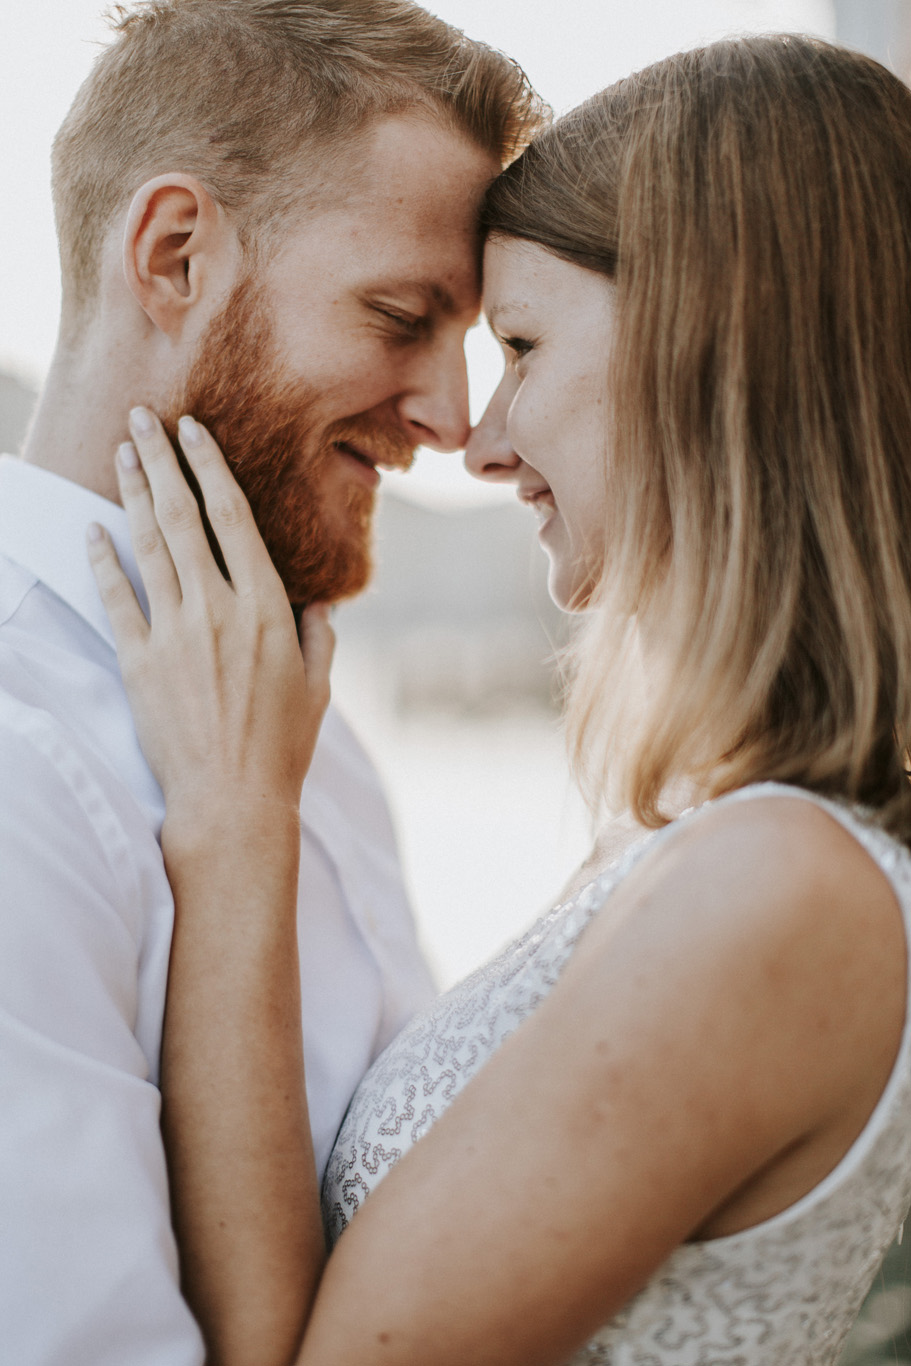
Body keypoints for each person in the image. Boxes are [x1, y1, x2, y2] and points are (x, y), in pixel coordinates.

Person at [89, 32, 911, 1366]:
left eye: (521, 344)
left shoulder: (779, 889)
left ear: (714, 349)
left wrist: (239, 830)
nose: (478, 437)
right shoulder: (708, 839)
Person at [0, 2, 544, 1362]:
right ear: (175, 254)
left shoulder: (295, 709)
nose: (454, 417)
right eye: (403, 316)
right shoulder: (18, 768)